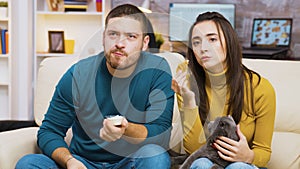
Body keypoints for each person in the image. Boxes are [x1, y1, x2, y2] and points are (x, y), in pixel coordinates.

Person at [16, 4, 174, 169]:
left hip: (131, 162)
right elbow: (49, 131)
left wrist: (126, 129)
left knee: (155, 157)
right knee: (28, 163)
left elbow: (161, 133)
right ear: (103, 37)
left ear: (145, 42)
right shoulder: (78, 74)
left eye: (131, 36)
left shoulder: (157, 71)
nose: (120, 43)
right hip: (83, 162)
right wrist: (70, 161)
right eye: (113, 34)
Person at [171, 12, 275, 169]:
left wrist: (248, 156)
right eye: (196, 43)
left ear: (229, 42)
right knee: (201, 163)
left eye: (212, 39)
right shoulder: (186, 77)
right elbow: (194, 150)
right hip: (205, 160)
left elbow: (264, 151)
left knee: (237, 167)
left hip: (243, 164)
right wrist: (189, 100)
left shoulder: (260, 88)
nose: (203, 48)